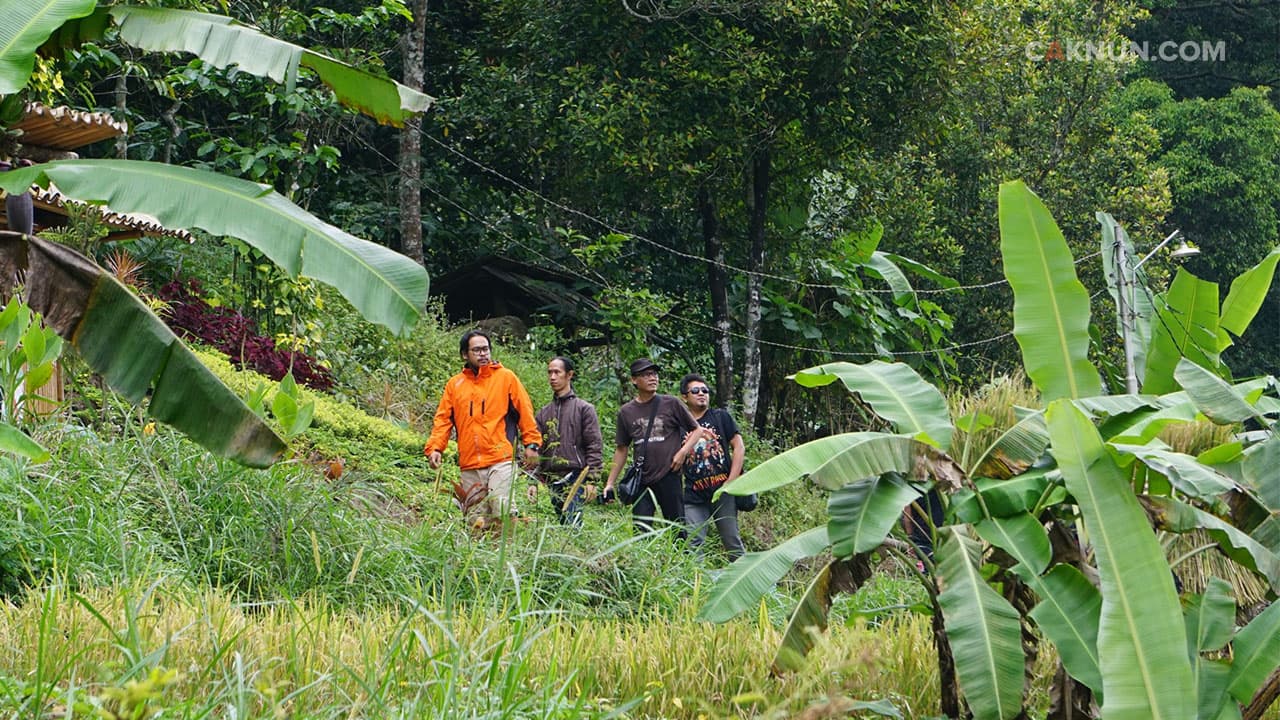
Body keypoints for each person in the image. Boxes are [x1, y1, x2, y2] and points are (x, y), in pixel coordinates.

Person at [425, 329, 541, 527]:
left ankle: (506, 555)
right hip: (470, 462)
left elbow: (525, 412)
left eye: (486, 349)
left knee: (502, 507)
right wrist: (435, 448)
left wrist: (532, 444)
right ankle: (483, 556)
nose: (483, 354)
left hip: (501, 457)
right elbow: (443, 419)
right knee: (476, 519)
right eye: (477, 350)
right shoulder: (455, 385)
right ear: (465, 354)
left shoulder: (506, 378)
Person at [604, 358, 702, 534]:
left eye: (654, 374)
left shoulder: (671, 403)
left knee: (677, 527)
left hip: (669, 474)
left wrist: (682, 452)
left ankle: (681, 560)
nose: (653, 378)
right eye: (646, 374)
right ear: (634, 380)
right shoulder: (626, 412)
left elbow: (697, 430)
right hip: (642, 478)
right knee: (641, 530)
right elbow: (622, 449)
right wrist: (610, 483)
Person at [528, 356, 603, 526]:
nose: (552, 377)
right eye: (550, 373)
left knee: (572, 523)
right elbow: (536, 449)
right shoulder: (543, 413)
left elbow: (594, 446)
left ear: (569, 375)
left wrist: (592, 480)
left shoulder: (584, 409)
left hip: (576, 475)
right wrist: (532, 480)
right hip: (551, 477)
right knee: (559, 524)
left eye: (557, 372)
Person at [678, 373, 746, 560]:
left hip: (723, 492)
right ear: (685, 396)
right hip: (694, 495)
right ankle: (696, 585)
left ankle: (748, 584)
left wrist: (731, 482)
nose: (702, 394)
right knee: (693, 543)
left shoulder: (720, 417)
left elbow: (739, 447)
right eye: (695, 390)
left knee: (732, 541)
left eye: (705, 390)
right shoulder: (679, 424)